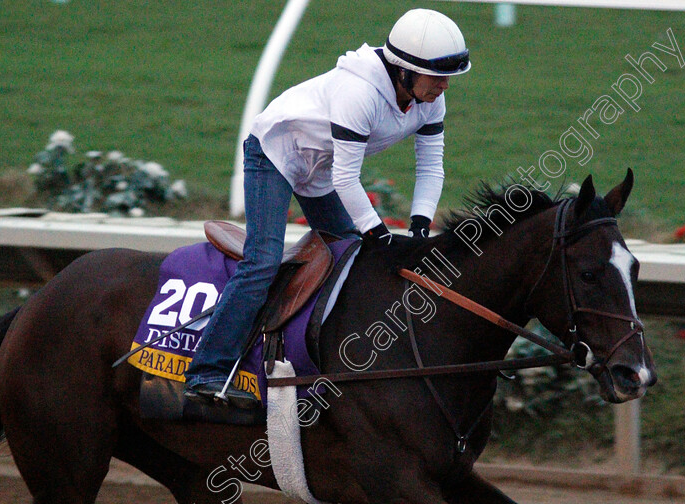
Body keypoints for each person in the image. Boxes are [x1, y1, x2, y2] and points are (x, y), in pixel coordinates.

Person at [184, 8, 471, 407]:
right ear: (404, 70)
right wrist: (381, 235)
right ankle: (207, 371)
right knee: (264, 260)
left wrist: (421, 226)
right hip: (274, 154)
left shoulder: (428, 101)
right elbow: (346, 179)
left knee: (350, 256)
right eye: (436, 77)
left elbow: (431, 165)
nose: (443, 86)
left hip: (318, 168)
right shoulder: (361, 94)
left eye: (449, 78)